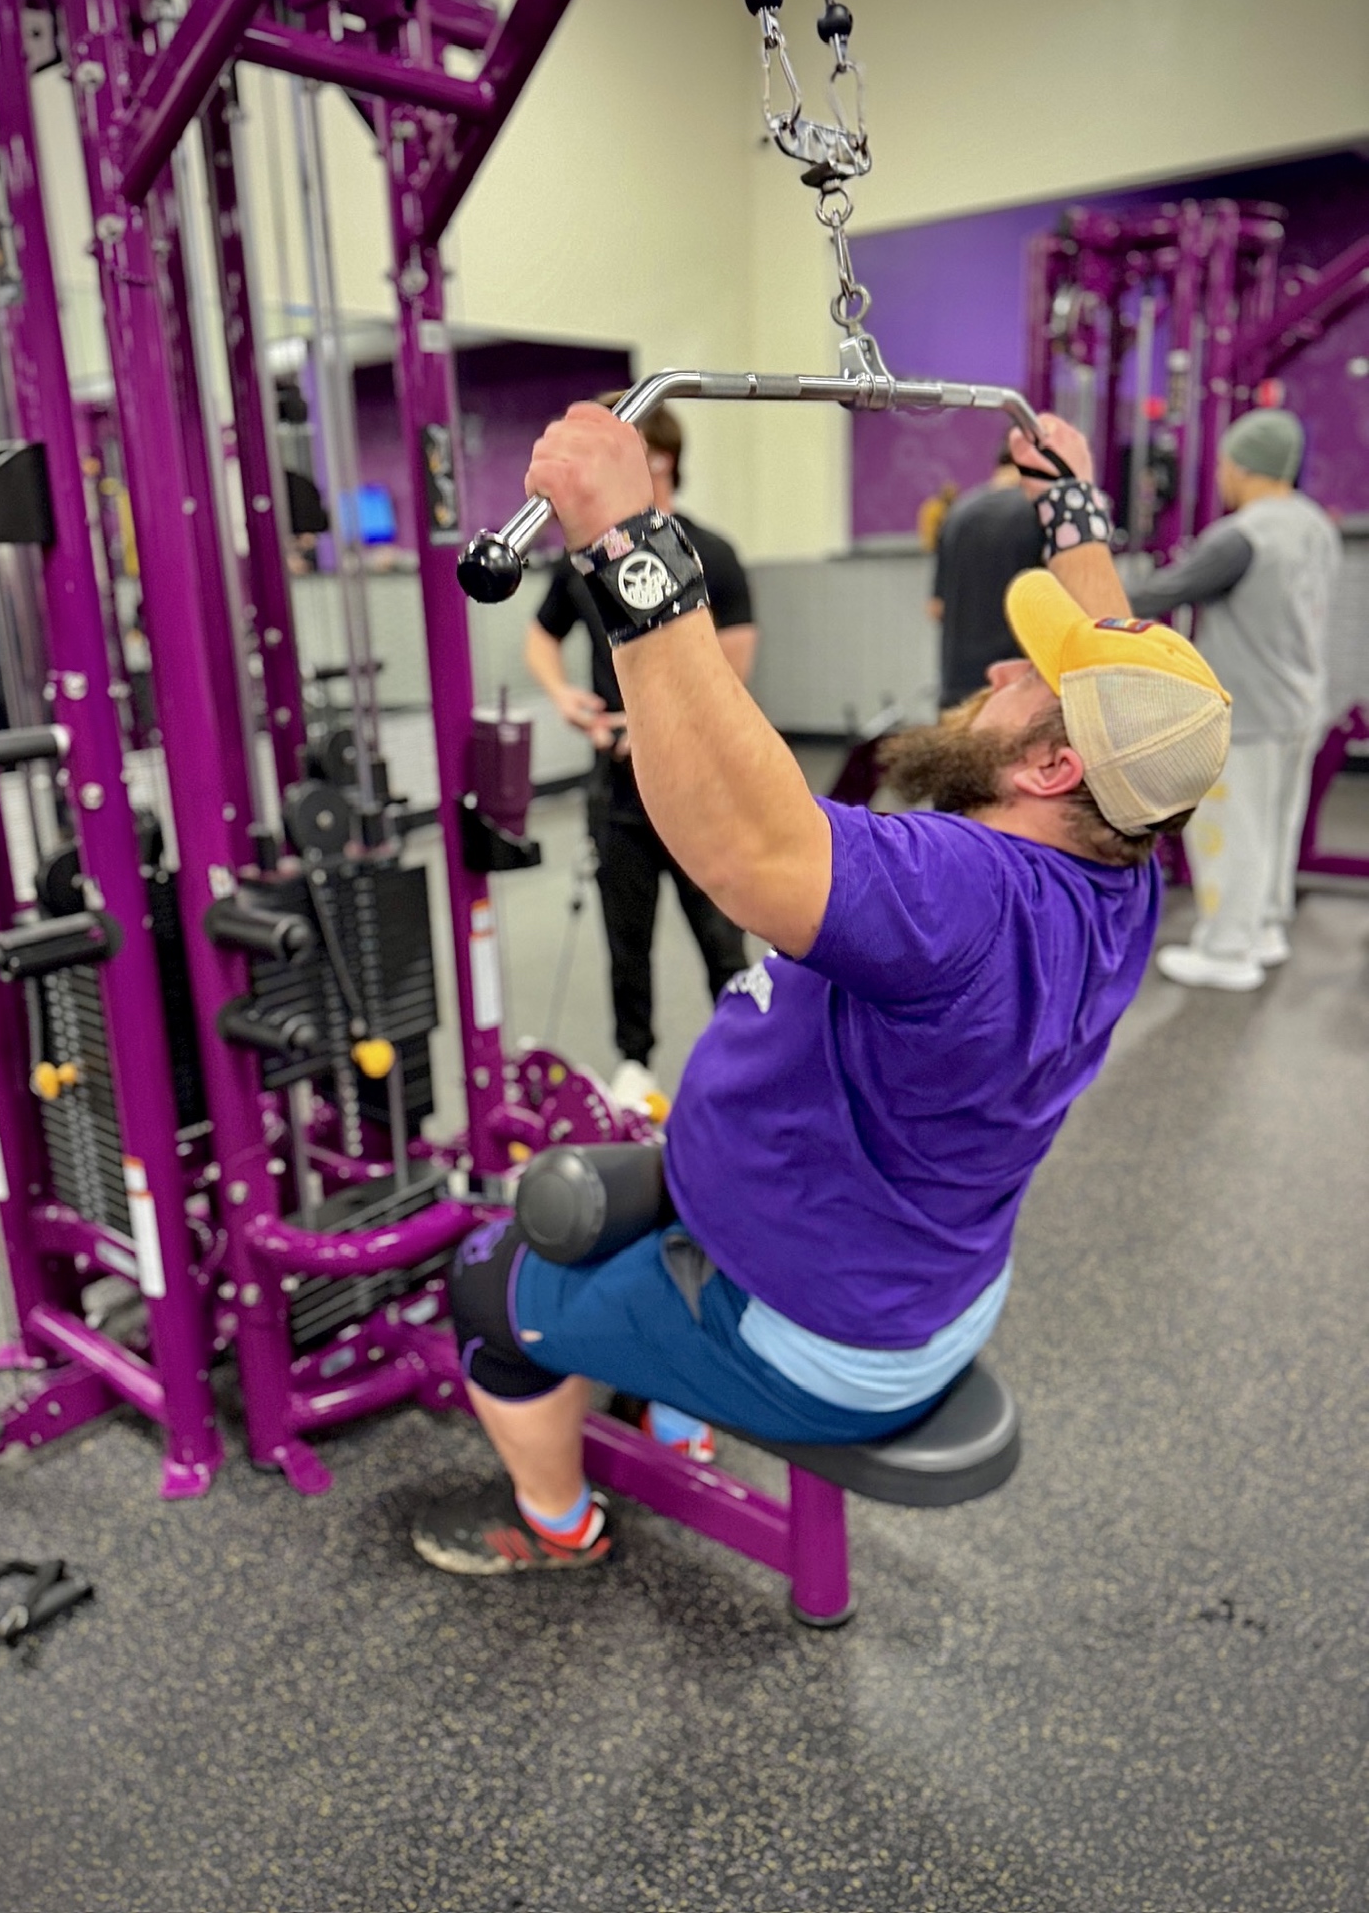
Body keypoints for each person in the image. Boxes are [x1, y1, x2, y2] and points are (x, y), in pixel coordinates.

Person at [412, 406, 1232, 1576]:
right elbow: (1120, 672)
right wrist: (1071, 508)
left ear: (1053, 765)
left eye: (1028, 679)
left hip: (807, 1326)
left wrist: (627, 547)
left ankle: (557, 1525)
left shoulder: (960, 891)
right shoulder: (1127, 858)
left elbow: (744, 845)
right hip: (908, 1281)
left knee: (488, 1283)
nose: (999, 669)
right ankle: (677, 1409)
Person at [524, 399, 757, 1109]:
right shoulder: (584, 565)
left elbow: (733, 671)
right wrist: (564, 697)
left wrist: (660, 726)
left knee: (722, 939)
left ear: (661, 463)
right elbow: (541, 636)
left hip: (698, 788)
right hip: (617, 790)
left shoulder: (712, 553)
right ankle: (634, 1065)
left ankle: (751, 1067)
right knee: (627, 941)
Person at [1125, 408, 1341, 991]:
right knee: (1275, 827)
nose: (1220, 474)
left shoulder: (1241, 535)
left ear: (1243, 466)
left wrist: (1085, 587)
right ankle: (1265, 928)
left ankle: (1226, 951)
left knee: (1233, 830)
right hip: (1300, 704)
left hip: (1246, 711)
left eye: (1223, 463)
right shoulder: (1315, 526)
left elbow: (1161, 593)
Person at [928, 440, 1044, 708]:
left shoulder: (956, 514)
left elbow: (936, 608)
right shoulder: (1040, 513)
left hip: (957, 686)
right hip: (1014, 686)